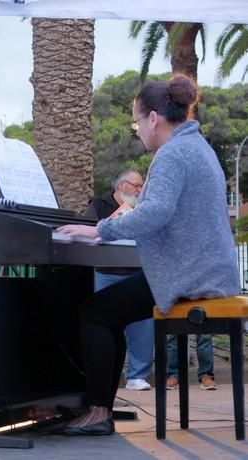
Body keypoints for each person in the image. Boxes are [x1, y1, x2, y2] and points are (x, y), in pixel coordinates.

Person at [56, 74, 239, 436]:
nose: (137, 129)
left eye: (136, 121)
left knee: (95, 313)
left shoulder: (173, 153)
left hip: (191, 275)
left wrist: (100, 230)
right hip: (205, 269)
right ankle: (99, 408)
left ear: (153, 118)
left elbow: (155, 212)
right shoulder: (197, 146)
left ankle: (97, 412)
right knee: (108, 313)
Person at [86, 170, 153, 392]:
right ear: (120, 185)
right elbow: (90, 230)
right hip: (106, 271)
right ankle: (104, 378)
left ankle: (137, 375)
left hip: (135, 270)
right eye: (135, 185)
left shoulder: (143, 207)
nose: (139, 189)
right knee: (103, 322)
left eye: (141, 185)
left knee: (142, 327)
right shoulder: (98, 204)